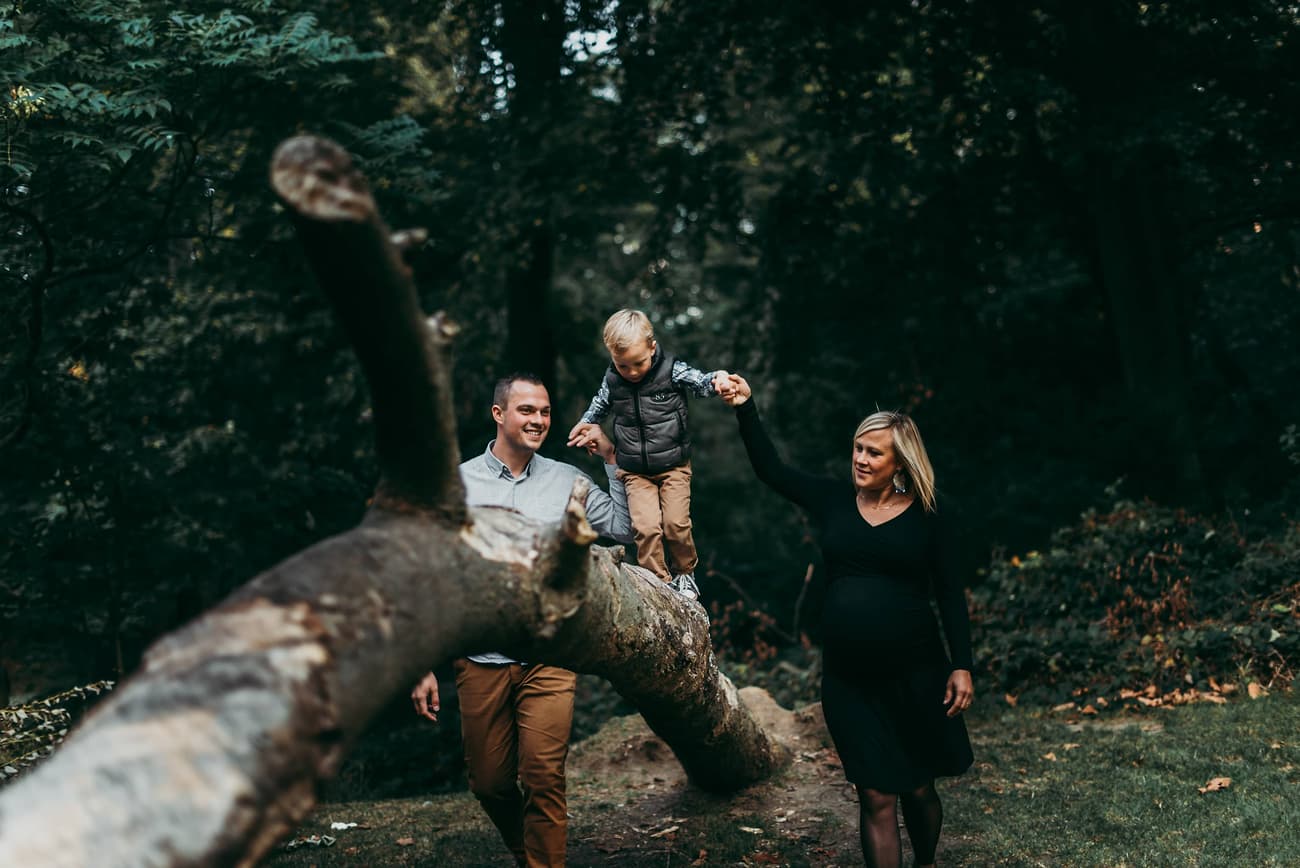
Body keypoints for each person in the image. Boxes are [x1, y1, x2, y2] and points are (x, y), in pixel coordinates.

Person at [718, 373, 973, 868]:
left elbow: (949, 593)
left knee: (918, 787)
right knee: (876, 795)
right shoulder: (834, 500)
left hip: (917, 674)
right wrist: (745, 407)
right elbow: (772, 470)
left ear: (900, 462)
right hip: (849, 680)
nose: (860, 458)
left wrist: (962, 664)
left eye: (874, 453)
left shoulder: (929, 516)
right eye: (858, 448)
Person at [410, 373, 633, 868]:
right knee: (488, 782)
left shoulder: (567, 481)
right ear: (499, 415)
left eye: (545, 412)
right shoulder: (457, 484)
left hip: (549, 654)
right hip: (479, 655)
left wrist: (614, 461)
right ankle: (529, 850)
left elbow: (623, 528)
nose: (538, 421)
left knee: (543, 778)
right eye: (527, 410)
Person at [566, 309, 730, 601]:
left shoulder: (672, 370)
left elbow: (701, 382)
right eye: (622, 365)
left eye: (637, 364)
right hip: (634, 470)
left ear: (652, 348)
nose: (630, 372)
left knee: (675, 524)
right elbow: (598, 407)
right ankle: (658, 583)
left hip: (673, 466)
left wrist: (718, 380)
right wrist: (585, 423)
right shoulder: (613, 380)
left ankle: (685, 574)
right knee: (646, 528)